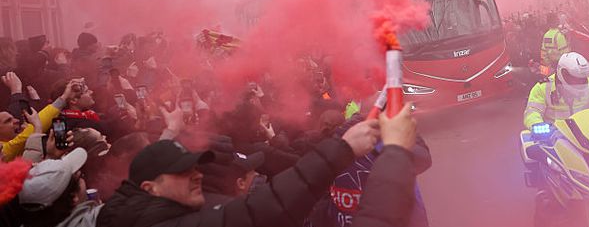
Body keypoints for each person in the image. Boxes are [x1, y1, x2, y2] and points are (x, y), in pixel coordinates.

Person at [96, 107, 419, 227]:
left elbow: (270, 205)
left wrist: (344, 148)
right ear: (150, 188)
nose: (196, 174)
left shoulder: (138, 213)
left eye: (195, 166)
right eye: (182, 171)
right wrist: (394, 152)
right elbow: (267, 208)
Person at [523, 52, 589, 129]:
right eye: (576, 79)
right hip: (555, 138)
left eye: (583, 78)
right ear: (563, 73)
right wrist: (537, 124)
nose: (581, 82)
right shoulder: (543, 87)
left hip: (587, 132)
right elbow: (532, 112)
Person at [17, 148, 99, 227]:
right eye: (80, 176)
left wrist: (51, 157)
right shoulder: (100, 220)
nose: (81, 175)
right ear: (73, 197)